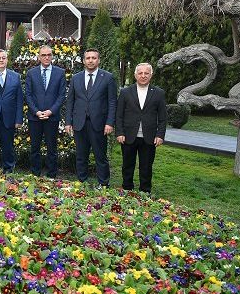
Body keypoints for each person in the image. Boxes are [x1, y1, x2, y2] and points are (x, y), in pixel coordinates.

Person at [65, 48, 117, 186]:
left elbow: (112, 102)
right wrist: (68, 122)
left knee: (100, 156)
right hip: (79, 123)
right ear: (83, 61)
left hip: (99, 124)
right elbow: (70, 101)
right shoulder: (76, 78)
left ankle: (103, 184)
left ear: (98, 60)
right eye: (88, 58)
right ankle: (82, 183)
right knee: (81, 156)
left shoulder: (108, 77)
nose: (91, 60)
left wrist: (110, 123)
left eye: (94, 58)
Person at [116, 63, 167, 193]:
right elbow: (119, 115)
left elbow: (163, 118)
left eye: (146, 73)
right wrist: (120, 132)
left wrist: (160, 135)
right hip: (128, 136)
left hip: (149, 137)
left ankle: (145, 192)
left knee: (146, 166)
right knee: (127, 165)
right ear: (135, 75)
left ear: (151, 75)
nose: (143, 76)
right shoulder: (125, 92)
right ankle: (127, 189)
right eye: (140, 73)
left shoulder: (159, 93)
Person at [25, 44, 66, 178]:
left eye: (49, 55)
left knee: (52, 148)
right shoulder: (31, 73)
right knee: (34, 148)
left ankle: (51, 175)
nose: (46, 57)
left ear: (52, 56)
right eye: (43, 55)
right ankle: (35, 174)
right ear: (39, 57)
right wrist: (36, 111)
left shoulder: (60, 73)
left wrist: (51, 111)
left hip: (52, 117)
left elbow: (61, 95)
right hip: (34, 117)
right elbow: (28, 95)